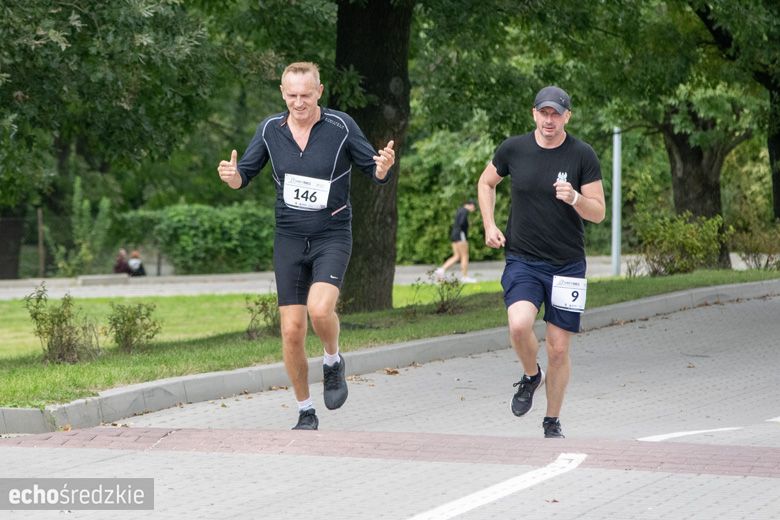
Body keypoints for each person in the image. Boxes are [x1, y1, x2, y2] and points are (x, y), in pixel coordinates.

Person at [217, 62, 395, 431]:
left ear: (319, 91)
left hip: (332, 234)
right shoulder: (270, 130)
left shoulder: (340, 126)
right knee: (291, 330)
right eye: (292, 95)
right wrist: (233, 178)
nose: (299, 102)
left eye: (306, 95)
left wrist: (382, 168)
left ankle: (332, 361)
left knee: (319, 310)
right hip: (289, 238)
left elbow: (373, 170)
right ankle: (305, 409)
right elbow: (243, 177)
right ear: (283, 93)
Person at [477, 86, 605, 438]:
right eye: (544, 112)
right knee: (519, 325)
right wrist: (489, 224)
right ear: (534, 113)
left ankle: (551, 420)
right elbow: (486, 183)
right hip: (524, 258)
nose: (550, 120)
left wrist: (576, 197)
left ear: (567, 117)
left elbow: (598, 213)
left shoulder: (582, 155)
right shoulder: (513, 149)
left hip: (567, 265)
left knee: (559, 349)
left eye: (557, 113)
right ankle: (531, 374)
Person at [434, 200, 477, 283]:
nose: (474, 209)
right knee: (465, 256)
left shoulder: (459, 210)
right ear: (471, 205)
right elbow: (461, 223)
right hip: (460, 235)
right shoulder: (465, 211)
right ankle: (465, 277)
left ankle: (441, 270)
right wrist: (467, 225)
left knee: (457, 256)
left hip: (454, 235)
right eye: (474, 207)